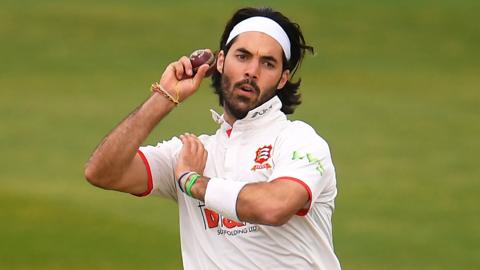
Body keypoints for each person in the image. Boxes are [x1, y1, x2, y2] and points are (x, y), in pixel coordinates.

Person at [85, 7, 341, 270]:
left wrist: (193, 182)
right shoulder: (192, 153)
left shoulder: (299, 141)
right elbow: (102, 172)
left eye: (268, 63)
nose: (252, 71)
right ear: (220, 62)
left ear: (282, 79)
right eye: (242, 56)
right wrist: (164, 97)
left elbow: (275, 206)